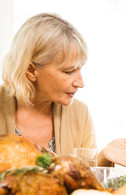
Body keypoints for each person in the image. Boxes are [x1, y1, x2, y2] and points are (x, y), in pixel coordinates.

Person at [0, 13, 96, 156]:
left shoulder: (80, 114)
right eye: (69, 71)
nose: (80, 83)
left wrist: (104, 160)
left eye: (80, 69)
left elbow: (86, 174)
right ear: (31, 70)